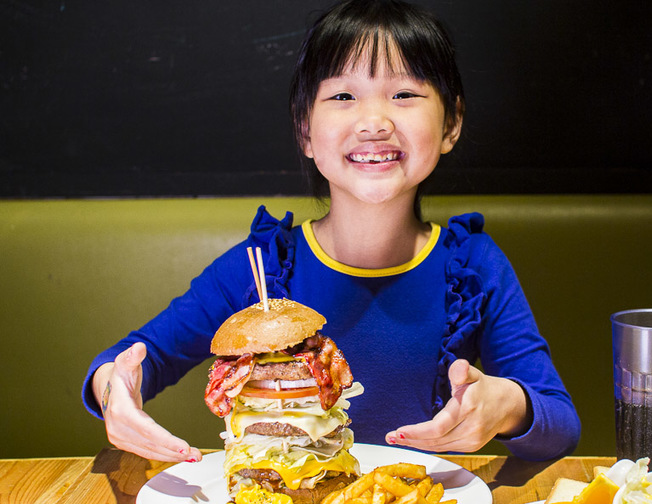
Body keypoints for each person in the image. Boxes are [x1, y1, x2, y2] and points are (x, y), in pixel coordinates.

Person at [82, 0, 580, 464]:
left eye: (404, 94)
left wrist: (508, 404)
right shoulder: (264, 266)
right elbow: (133, 359)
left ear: (451, 124)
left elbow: (560, 422)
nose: (373, 121)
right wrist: (115, 392)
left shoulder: (473, 266)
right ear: (305, 129)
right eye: (343, 95)